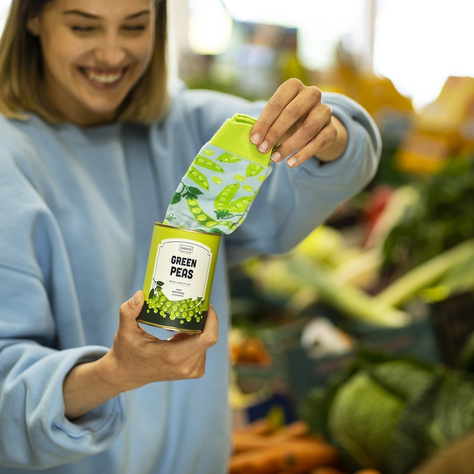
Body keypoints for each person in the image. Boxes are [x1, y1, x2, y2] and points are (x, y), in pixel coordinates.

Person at [0, 0, 381, 472]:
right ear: (32, 19)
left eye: (136, 25)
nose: (113, 53)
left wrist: (330, 132)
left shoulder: (193, 126)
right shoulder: (9, 162)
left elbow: (330, 166)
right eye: (84, 26)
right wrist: (114, 374)